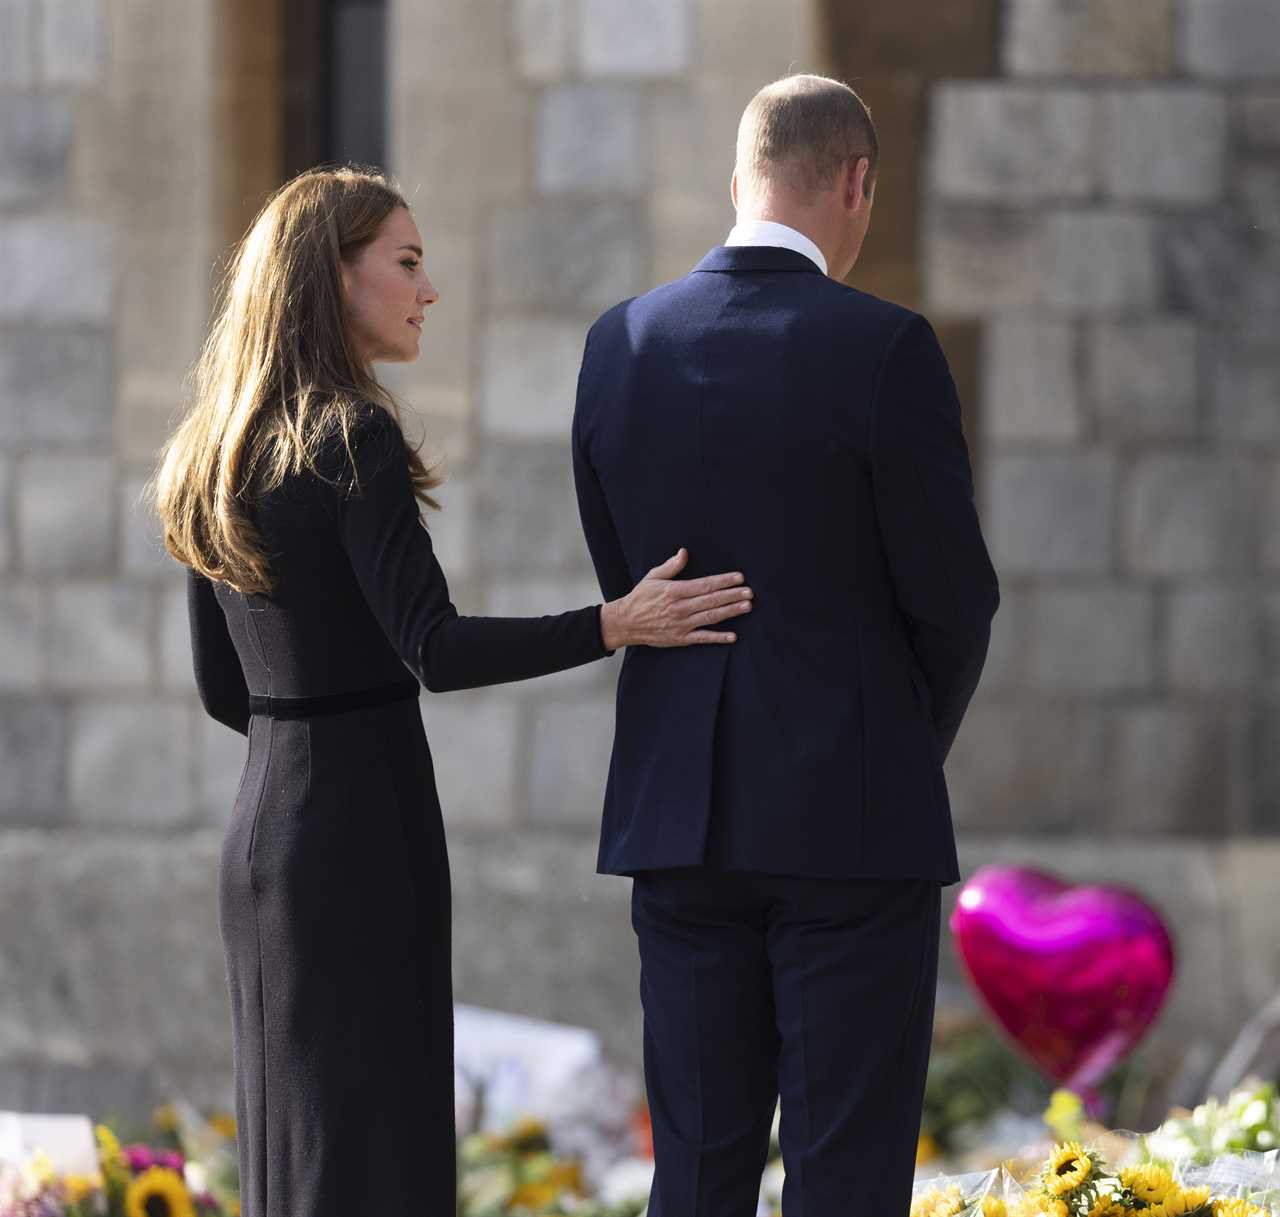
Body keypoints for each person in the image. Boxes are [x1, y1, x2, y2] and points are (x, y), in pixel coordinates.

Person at [150, 165, 755, 1217]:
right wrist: (614, 621)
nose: (428, 290)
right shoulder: (355, 436)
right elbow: (432, 645)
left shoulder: (213, 448)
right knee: (378, 1140)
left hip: (264, 833)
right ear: (332, 278)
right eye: (407, 262)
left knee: (295, 1146)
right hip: (360, 823)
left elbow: (220, 684)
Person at [572, 75, 1000, 1216]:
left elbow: (624, 573)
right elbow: (955, 599)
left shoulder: (618, 343)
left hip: (678, 816)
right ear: (856, 181)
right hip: (849, 827)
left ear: (737, 182)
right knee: (841, 1175)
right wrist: (896, 739)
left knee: (697, 1169)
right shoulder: (883, 348)